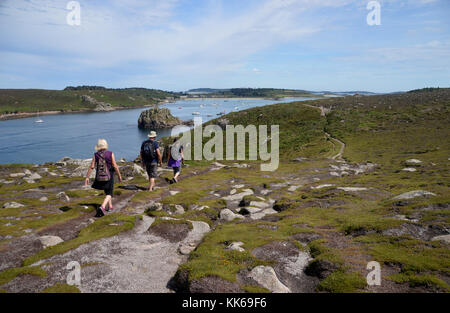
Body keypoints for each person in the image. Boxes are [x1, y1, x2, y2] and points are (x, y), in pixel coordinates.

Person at [85, 139, 122, 217]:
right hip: (109, 175)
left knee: (107, 191)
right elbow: (115, 165)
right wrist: (119, 175)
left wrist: (87, 177)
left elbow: (92, 166)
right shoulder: (110, 153)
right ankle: (102, 207)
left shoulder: (96, 154)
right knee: (109, 193)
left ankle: (110, 206)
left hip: (100, 176)